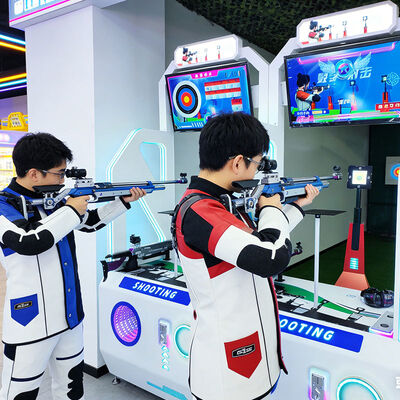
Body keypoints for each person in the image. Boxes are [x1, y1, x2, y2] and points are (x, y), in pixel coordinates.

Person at [174, 113, 319, 400]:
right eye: (256, 163)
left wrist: (297, 206)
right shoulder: (201, 212)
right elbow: (270, 257)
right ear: (238, 162)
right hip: (226, 373)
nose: (257, 172)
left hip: (248, 359)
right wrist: (271, 207)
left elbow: (261, 240)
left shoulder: (222, 204)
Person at [0, 133, 146, 400]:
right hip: (29, 320)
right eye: (59, 174)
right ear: (34, 174)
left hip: (69, 316)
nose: (62, 180)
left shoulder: (54, 200)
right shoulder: (3, 205)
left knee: (71, 389)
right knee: (19, 394)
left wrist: (122, 201)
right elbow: (29, 241)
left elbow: (88, 223)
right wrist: (70, 209)